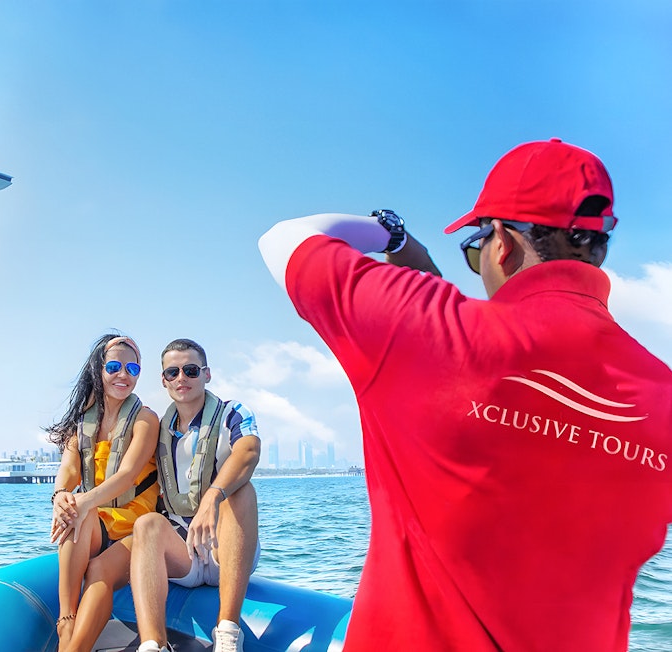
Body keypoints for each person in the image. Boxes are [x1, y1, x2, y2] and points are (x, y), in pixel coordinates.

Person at [257, 138, 672, 651]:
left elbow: (285, 239)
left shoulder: (431, 333)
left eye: (474, 251)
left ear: (502, 242)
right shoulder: (662, 393)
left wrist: (391, 234)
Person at [130, 338, 262, 652]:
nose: (181, 379)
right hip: (182, 554)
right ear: (163, 380)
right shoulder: (159, 427)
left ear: (206, 374)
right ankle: (154, 644)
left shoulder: (233, 413)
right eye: (172, 373)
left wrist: (213, 498)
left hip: (224, 550)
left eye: (190, 370)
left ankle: (228, 633)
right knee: (147, 525)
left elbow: (248, 451)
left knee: (243, 492)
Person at [46, 334, 160, 652]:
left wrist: (80, 501)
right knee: (77, 513)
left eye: (132, 368)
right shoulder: (82, 423)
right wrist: (61, 497)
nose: (123, 374)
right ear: (98, 370)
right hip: (96, 523)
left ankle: (71, 647)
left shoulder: (145, 420)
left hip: (136, 527)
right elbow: (69, 471)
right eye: (114, 366)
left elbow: (126, 476)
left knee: (93, 553)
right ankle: (66, 619)